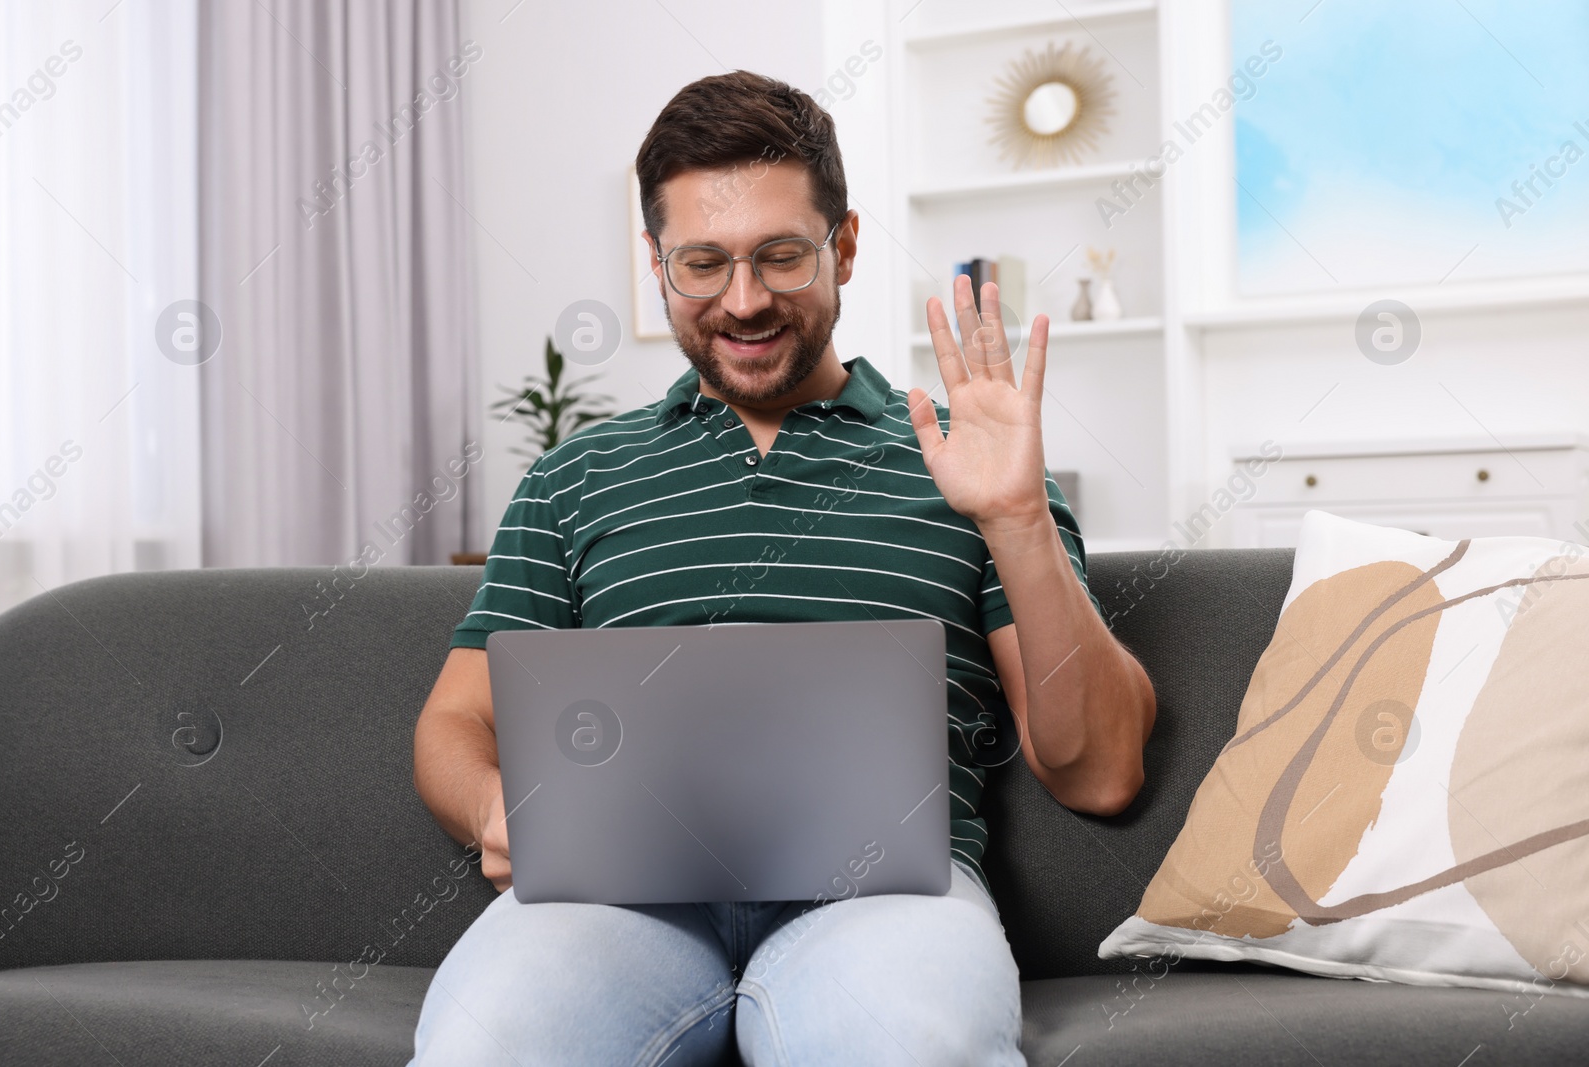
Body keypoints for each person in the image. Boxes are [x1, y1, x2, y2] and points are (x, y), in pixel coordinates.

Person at [407, 69, 1156, 1066]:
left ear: (843, 246)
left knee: (915, 1047)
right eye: (703, 262)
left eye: (781, 255)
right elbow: (452, 722)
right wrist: (495, 806)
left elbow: (1100, 770)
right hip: (614, 898)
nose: (745, 299)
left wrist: (1014, 515)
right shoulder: (575, 476)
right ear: (657, 264)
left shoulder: (969, 461)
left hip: (885, 899)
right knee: (484, 1045)